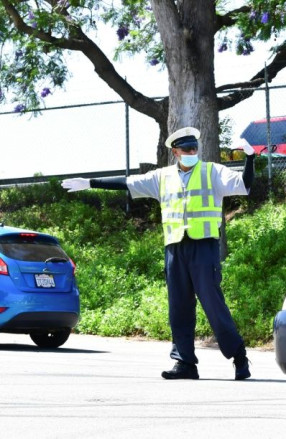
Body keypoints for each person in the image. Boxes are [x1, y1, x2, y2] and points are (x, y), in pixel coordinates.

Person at [62, 127, 255, 381]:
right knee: (179, 308)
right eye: (186, 150)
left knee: (213, 305)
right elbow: (128, 183)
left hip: (204, 247)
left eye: (194, 148)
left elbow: (244, 185)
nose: (191, 153)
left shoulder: (212, 172)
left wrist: (250, 158)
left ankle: (238, 357)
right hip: (175, 248)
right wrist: (90, 183)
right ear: (175, 152)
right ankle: (185, 362)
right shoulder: (161, 177)